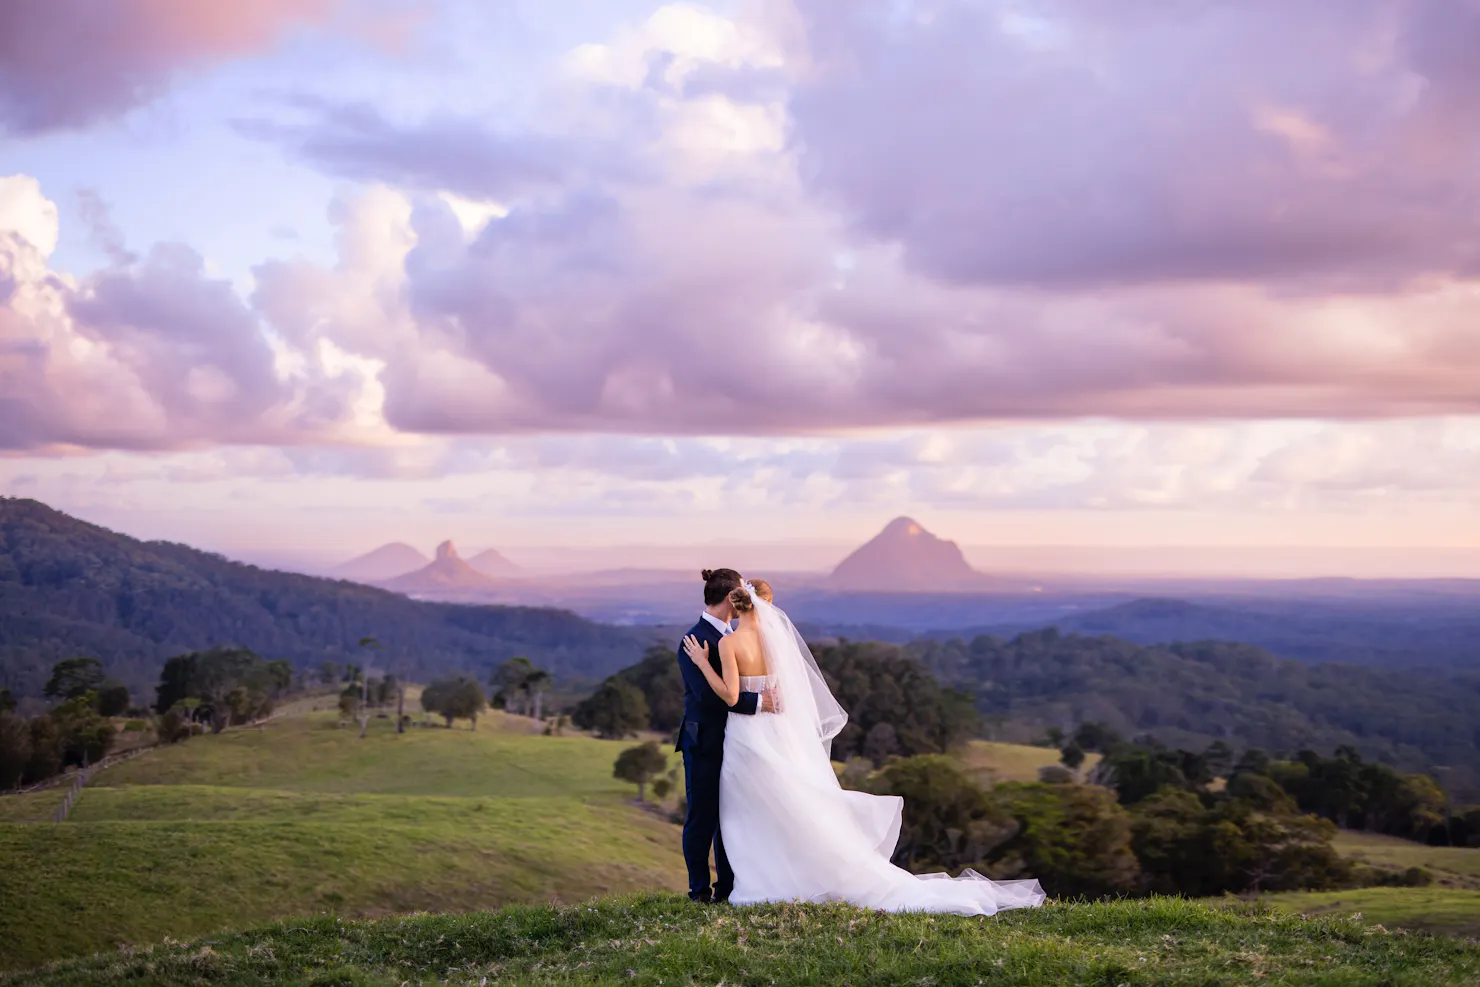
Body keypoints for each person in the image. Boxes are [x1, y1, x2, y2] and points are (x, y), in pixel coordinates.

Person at [682, 580, 1045, 915]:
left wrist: (703, 662)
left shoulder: (729, 643)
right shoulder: (777, 643)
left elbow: (730, 695)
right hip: (778, 732)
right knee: (784, 800)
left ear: (737, 604)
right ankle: (781, 874)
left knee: (745, 809)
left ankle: (753, 880)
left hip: (748, 734)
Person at [674, 568, 776, 903]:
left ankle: (728, 889)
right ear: (730, 597)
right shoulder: (695, 639)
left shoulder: (734, 637)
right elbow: (708, 697)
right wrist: (761, 702)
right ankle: (699, 892)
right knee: (702, 818)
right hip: (704, 741)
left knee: (731, 818)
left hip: (738, 742)